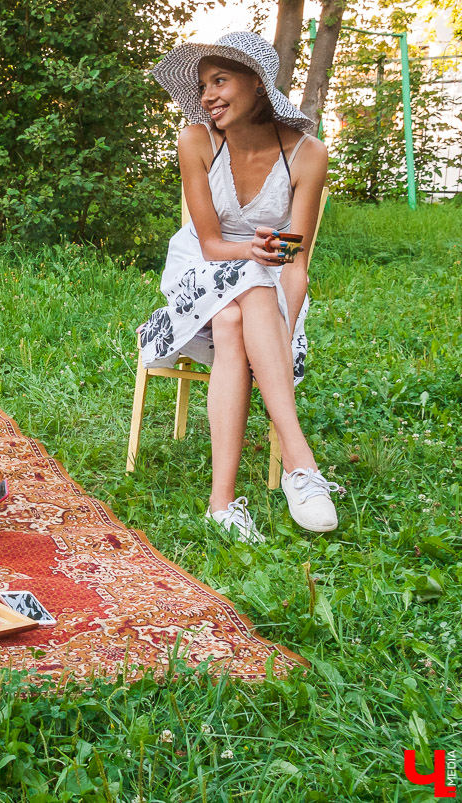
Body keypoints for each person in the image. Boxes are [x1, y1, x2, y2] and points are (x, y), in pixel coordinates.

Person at [138, 32, 341, 542]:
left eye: (220, 80)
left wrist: (284, 328)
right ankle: (301, 462)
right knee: (248, 280)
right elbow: (208, 242)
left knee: (236, 319)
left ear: (258, 84)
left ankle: (221, 505)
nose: (207, 95)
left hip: (266, 287)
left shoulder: (307, 154)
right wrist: (252, 257)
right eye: (204, 84)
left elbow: (292, 262)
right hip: (200, 269)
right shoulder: (196, 140)